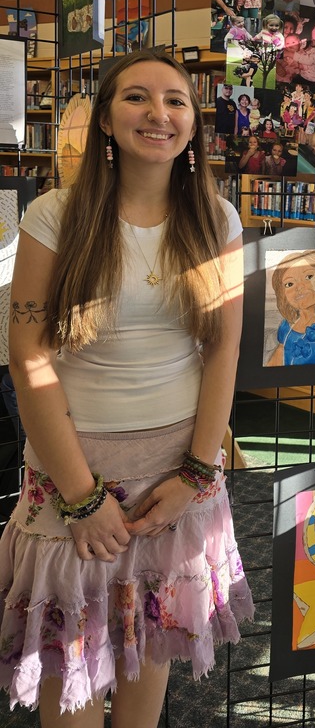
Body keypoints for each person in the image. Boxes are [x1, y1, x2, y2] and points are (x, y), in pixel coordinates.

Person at [0, 51, 252, 723]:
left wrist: (198, 472)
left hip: (176, 477)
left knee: (147, 680)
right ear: (106, 120)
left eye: (175, 101)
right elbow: (28, 355)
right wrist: (82, 498)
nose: (158, 113)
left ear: (193, 124)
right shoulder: (55, 218)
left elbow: (223, 346)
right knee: (71, 688)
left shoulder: (217, 220)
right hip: (74, 470)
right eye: (137, 98)